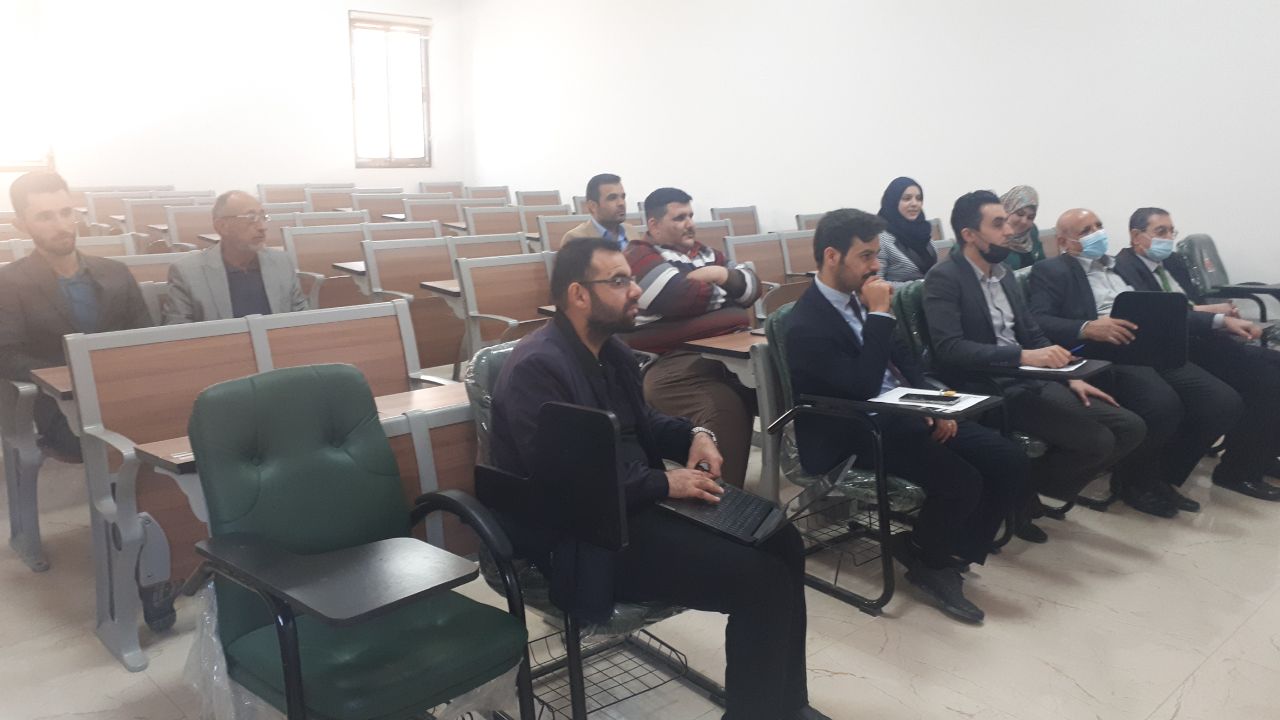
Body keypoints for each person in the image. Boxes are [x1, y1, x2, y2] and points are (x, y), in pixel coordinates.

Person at [489, 237, 824, 720]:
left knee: (783, 540)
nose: (636, 292)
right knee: (760, 581)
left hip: (636, 503)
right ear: (579, 294)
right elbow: (565, 481)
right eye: (619, 281)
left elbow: (643, 422)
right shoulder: (538, 368)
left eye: (631, 279)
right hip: (583, 534)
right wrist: (667, 484)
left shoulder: (612, 351)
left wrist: (697, 434)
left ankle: (787, 705)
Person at [787, 208, 1027, 624]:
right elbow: (862, 388)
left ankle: (937, 551)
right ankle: (932, 564)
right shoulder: (806, 324)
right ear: (831, 256)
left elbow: (903, 358)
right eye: (865, 256)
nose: (875, 266)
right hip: (855, 429)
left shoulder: (860, 295)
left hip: (899, 412)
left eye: (876, 254)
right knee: (962, 482)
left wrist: (931, 403)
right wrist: (881, 314)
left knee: (1008, 459)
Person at [924, 191, 1146, 539]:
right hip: (991, 385)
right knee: (1098, 440)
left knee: (1131, 427)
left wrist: (1068, 375)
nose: (1008, 231)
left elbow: (1032, 332)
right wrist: (1023, 357)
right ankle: (1019, 496)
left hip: (1032, 378)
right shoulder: (945, 277)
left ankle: (1023, 490)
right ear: (969, 234)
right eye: (998, 224)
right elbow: (950, 349)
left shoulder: (1004, 275)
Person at [1026, 208, 1242, 517]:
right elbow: (1038, 320)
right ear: (1063, 241)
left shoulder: (1118, 265)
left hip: (1150, 346)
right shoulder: (1052, 270)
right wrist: (1087, 327)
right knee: (1162, 405)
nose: (1097, 233)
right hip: (1104, 350)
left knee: (1221, 402)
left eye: (1098, 225)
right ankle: (1135, 483)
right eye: (1086, 230)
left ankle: (1163, 476)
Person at [1114, 208, 1280, 501]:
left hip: (1199, 337)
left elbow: (1187, 305)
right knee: (1267, 380)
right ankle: (1238, 470)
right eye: (1161, 232)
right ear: (1136, 236)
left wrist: (1216, 313)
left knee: (1274, 367)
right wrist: (1218, 319)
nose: (1168, 238)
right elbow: (1161, 314)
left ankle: (1261, 456)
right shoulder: (1124, 267)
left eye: (1171, 231)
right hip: (1174, 346)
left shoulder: (1170, 262)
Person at [0, 171, 152, 462]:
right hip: (60, 405)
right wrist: (71, 377)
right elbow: (6, 354)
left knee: (186, 427)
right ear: (21, 224)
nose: (61, 226)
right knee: (112, 439)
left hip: (125, 392)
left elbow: (144, 336)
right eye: (45, 217)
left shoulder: (115, 273)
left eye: (66, 212)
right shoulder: (8, 283)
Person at [624, 187, 761, 488]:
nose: (690, 224)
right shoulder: (640, 255)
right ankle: (721, 502)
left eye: (690, 215)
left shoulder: (708, 254)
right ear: (654, 225)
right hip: (671, 364)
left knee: (778, 388)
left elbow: (752, 288)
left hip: (726, 353)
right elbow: (676, 296)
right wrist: (729, 292)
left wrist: (717, 276)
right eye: (679, 218)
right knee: (724, 408)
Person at [163, 190, 308, 323]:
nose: (262, 227)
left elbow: (303, 321)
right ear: (222, 226)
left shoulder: (281, 262)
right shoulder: (188, 273)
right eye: (251, 218)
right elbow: (179, 336)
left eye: (263, 217)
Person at [876, 176, 938, 287]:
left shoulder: (923, 229)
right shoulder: (881, 238)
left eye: (918, 198)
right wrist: (918, 287)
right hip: (900, 298)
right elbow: (876, 284)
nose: (914, 203)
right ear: (893, 201)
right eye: (907, 198)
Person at [560, 173, 644, 248]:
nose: (621, 203)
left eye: (623, 197)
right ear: (593, 206)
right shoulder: (576, 239)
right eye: (612, 198)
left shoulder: (631, 231)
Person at [999, 185, 1046, 270]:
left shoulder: (1032, 230)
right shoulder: (994, 235)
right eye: (1020, 214)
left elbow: (1042, 262)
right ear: (1007, 210)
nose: (1024, 221)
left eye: (1030, 217)